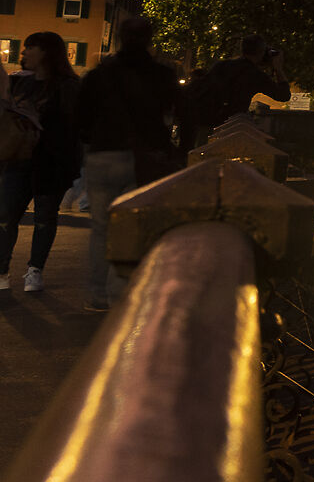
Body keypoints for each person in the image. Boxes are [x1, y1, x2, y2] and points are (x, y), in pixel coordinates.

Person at [72, 15, 182, 313]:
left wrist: (91, 139)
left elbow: (80, 116)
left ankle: (98, 294)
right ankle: (126, 292)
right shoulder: (162, 74)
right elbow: (183, 112)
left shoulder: (99, 75)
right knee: (137, 225)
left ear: (119, 37)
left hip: (103, 154)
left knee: (101, 228)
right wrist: (177, 150)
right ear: (150, 39)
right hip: (146, 157)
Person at [1, 32, 80, 293]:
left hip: (51, 162)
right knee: (5, 215)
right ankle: (2, 270)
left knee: (44, 217)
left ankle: (35, 270)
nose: (22, 54)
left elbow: (74, 127)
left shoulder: (68, 86)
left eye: (28, 48)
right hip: (18, 158)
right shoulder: (18, 82)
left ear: (45, 52)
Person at [177, 35, 292, 152]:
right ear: (261, 52)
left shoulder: (221, 65)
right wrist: (278, 69)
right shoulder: (254, 74)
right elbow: (283, 95)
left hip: (204, 122)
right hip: (228, 129)